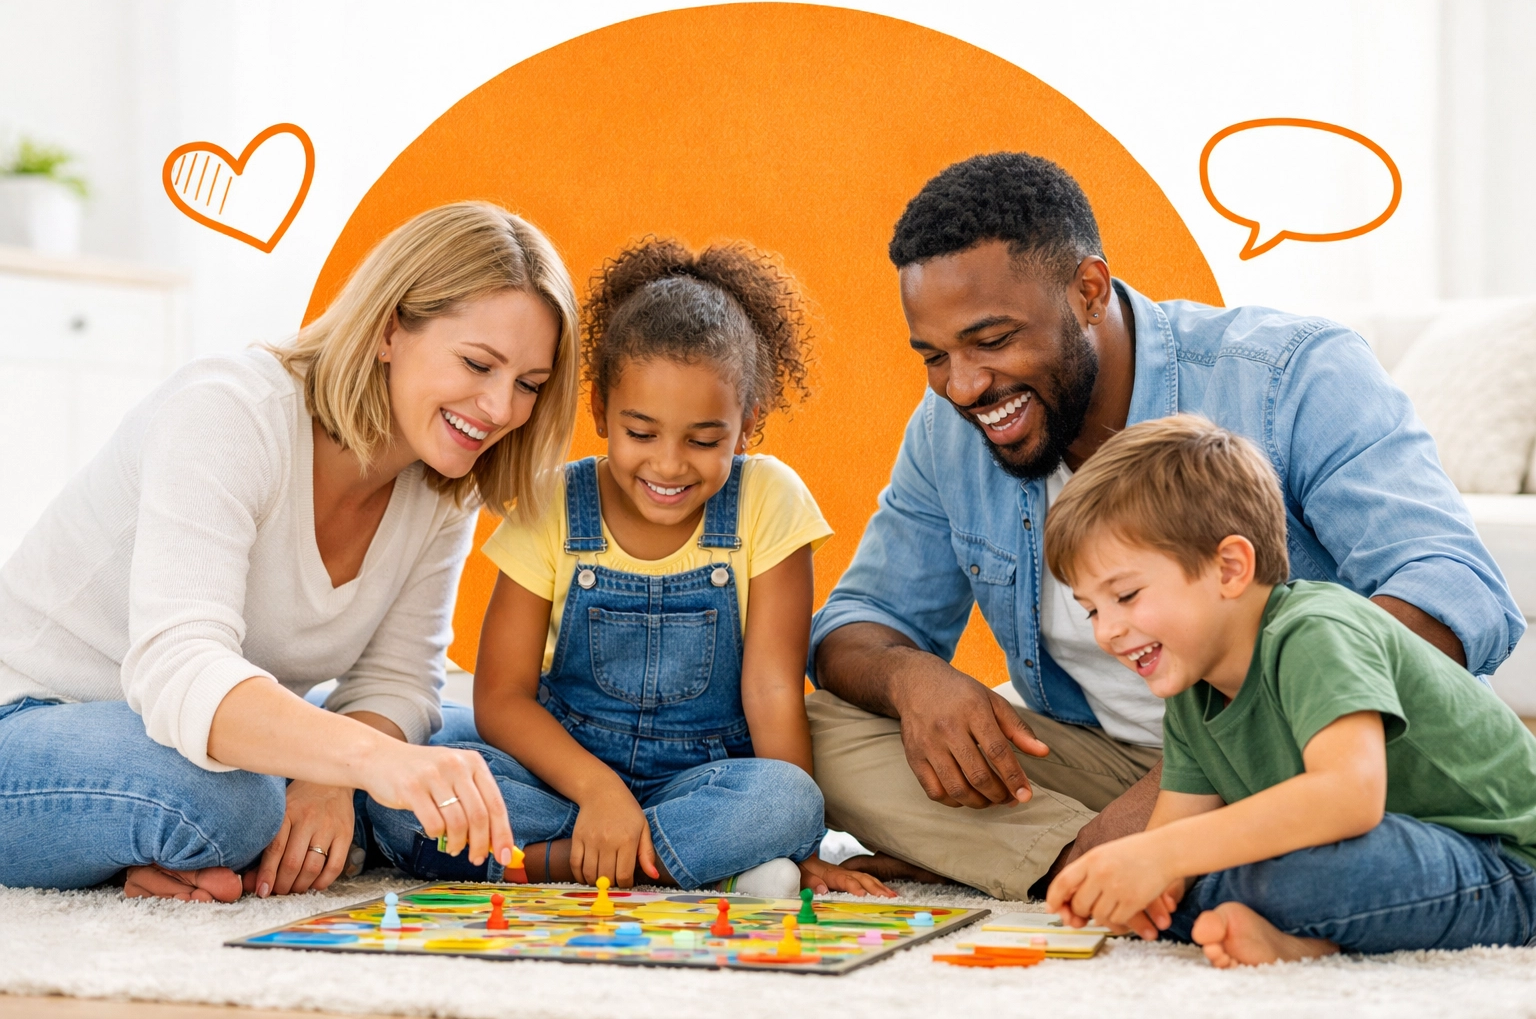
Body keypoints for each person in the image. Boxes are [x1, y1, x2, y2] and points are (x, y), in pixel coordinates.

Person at [809, 152, 1524, 901]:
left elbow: (1456, 589)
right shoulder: (950, 428)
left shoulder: (1291, 375)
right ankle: (1102, 861)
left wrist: (1201, 771)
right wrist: (912, 679)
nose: (962, 386)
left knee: (1326, 852)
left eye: (991, 341)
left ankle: (1080, 861)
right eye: (934, 356)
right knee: (822, 735)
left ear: (1087, 291)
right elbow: (857, 626)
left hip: (1300, 752)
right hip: (1104, 759)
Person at [0, 202, 581, 901]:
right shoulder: (229, 412)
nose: (500, 410)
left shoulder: (442, 480)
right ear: (390, 329)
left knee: (481, 750)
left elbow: (397, 679)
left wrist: (334, 774)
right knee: (238, 802)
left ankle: (194, 842)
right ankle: (180, 832)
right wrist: (363, 762)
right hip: (35, 718)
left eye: (529, 386)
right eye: (478, 364)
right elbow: (180, 668)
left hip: (202, 737)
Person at [370, 238, 892, 898]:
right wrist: (599, 792)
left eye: (704, 441)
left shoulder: (770, 499)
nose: (669, 466)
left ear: (747, 422)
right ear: (599, 410)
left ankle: (557, 864)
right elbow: (501, 698)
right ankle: (692, 862)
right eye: (641, 433)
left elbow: (773, 691)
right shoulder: (553, 502)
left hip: (699, 780)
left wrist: (796, 839)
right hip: (564, 778)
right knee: (404, 781)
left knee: (786, 798)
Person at [1041, 415, 1536, 964]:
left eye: (1126, 596)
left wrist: (1157, 856)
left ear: (1230, 567)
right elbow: (1175, 839)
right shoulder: (1192, 691)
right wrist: (1144, 885)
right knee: (1189, 882)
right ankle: (1305, 940)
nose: (1106, 631)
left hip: (1504, 862)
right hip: (1378, 859)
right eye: (1090, 610)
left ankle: (1297, 923)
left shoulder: (1315, 630)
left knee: (1290, 875)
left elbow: (1349, 797)